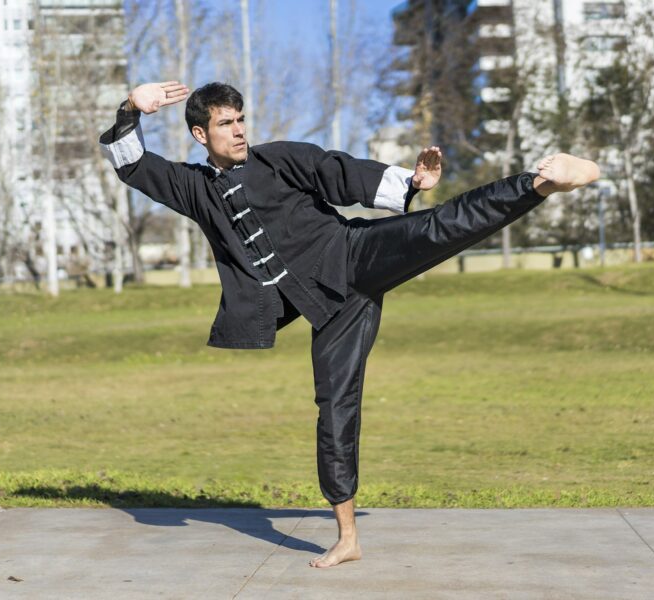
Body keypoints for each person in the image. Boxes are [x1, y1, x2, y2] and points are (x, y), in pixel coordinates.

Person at [99, 81, 600, 568]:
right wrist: (130, 108)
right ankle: (347, 539)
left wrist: (410, 183)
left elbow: (335, 171)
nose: (239, 130)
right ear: (199, 135)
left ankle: (544, 182)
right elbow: (133, 166)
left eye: (241, 119)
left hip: (357, 255)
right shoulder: (193, 189)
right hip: (332, 312)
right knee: (335, 409)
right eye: (226, 123)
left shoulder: (277, 158)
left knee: (441, 225)